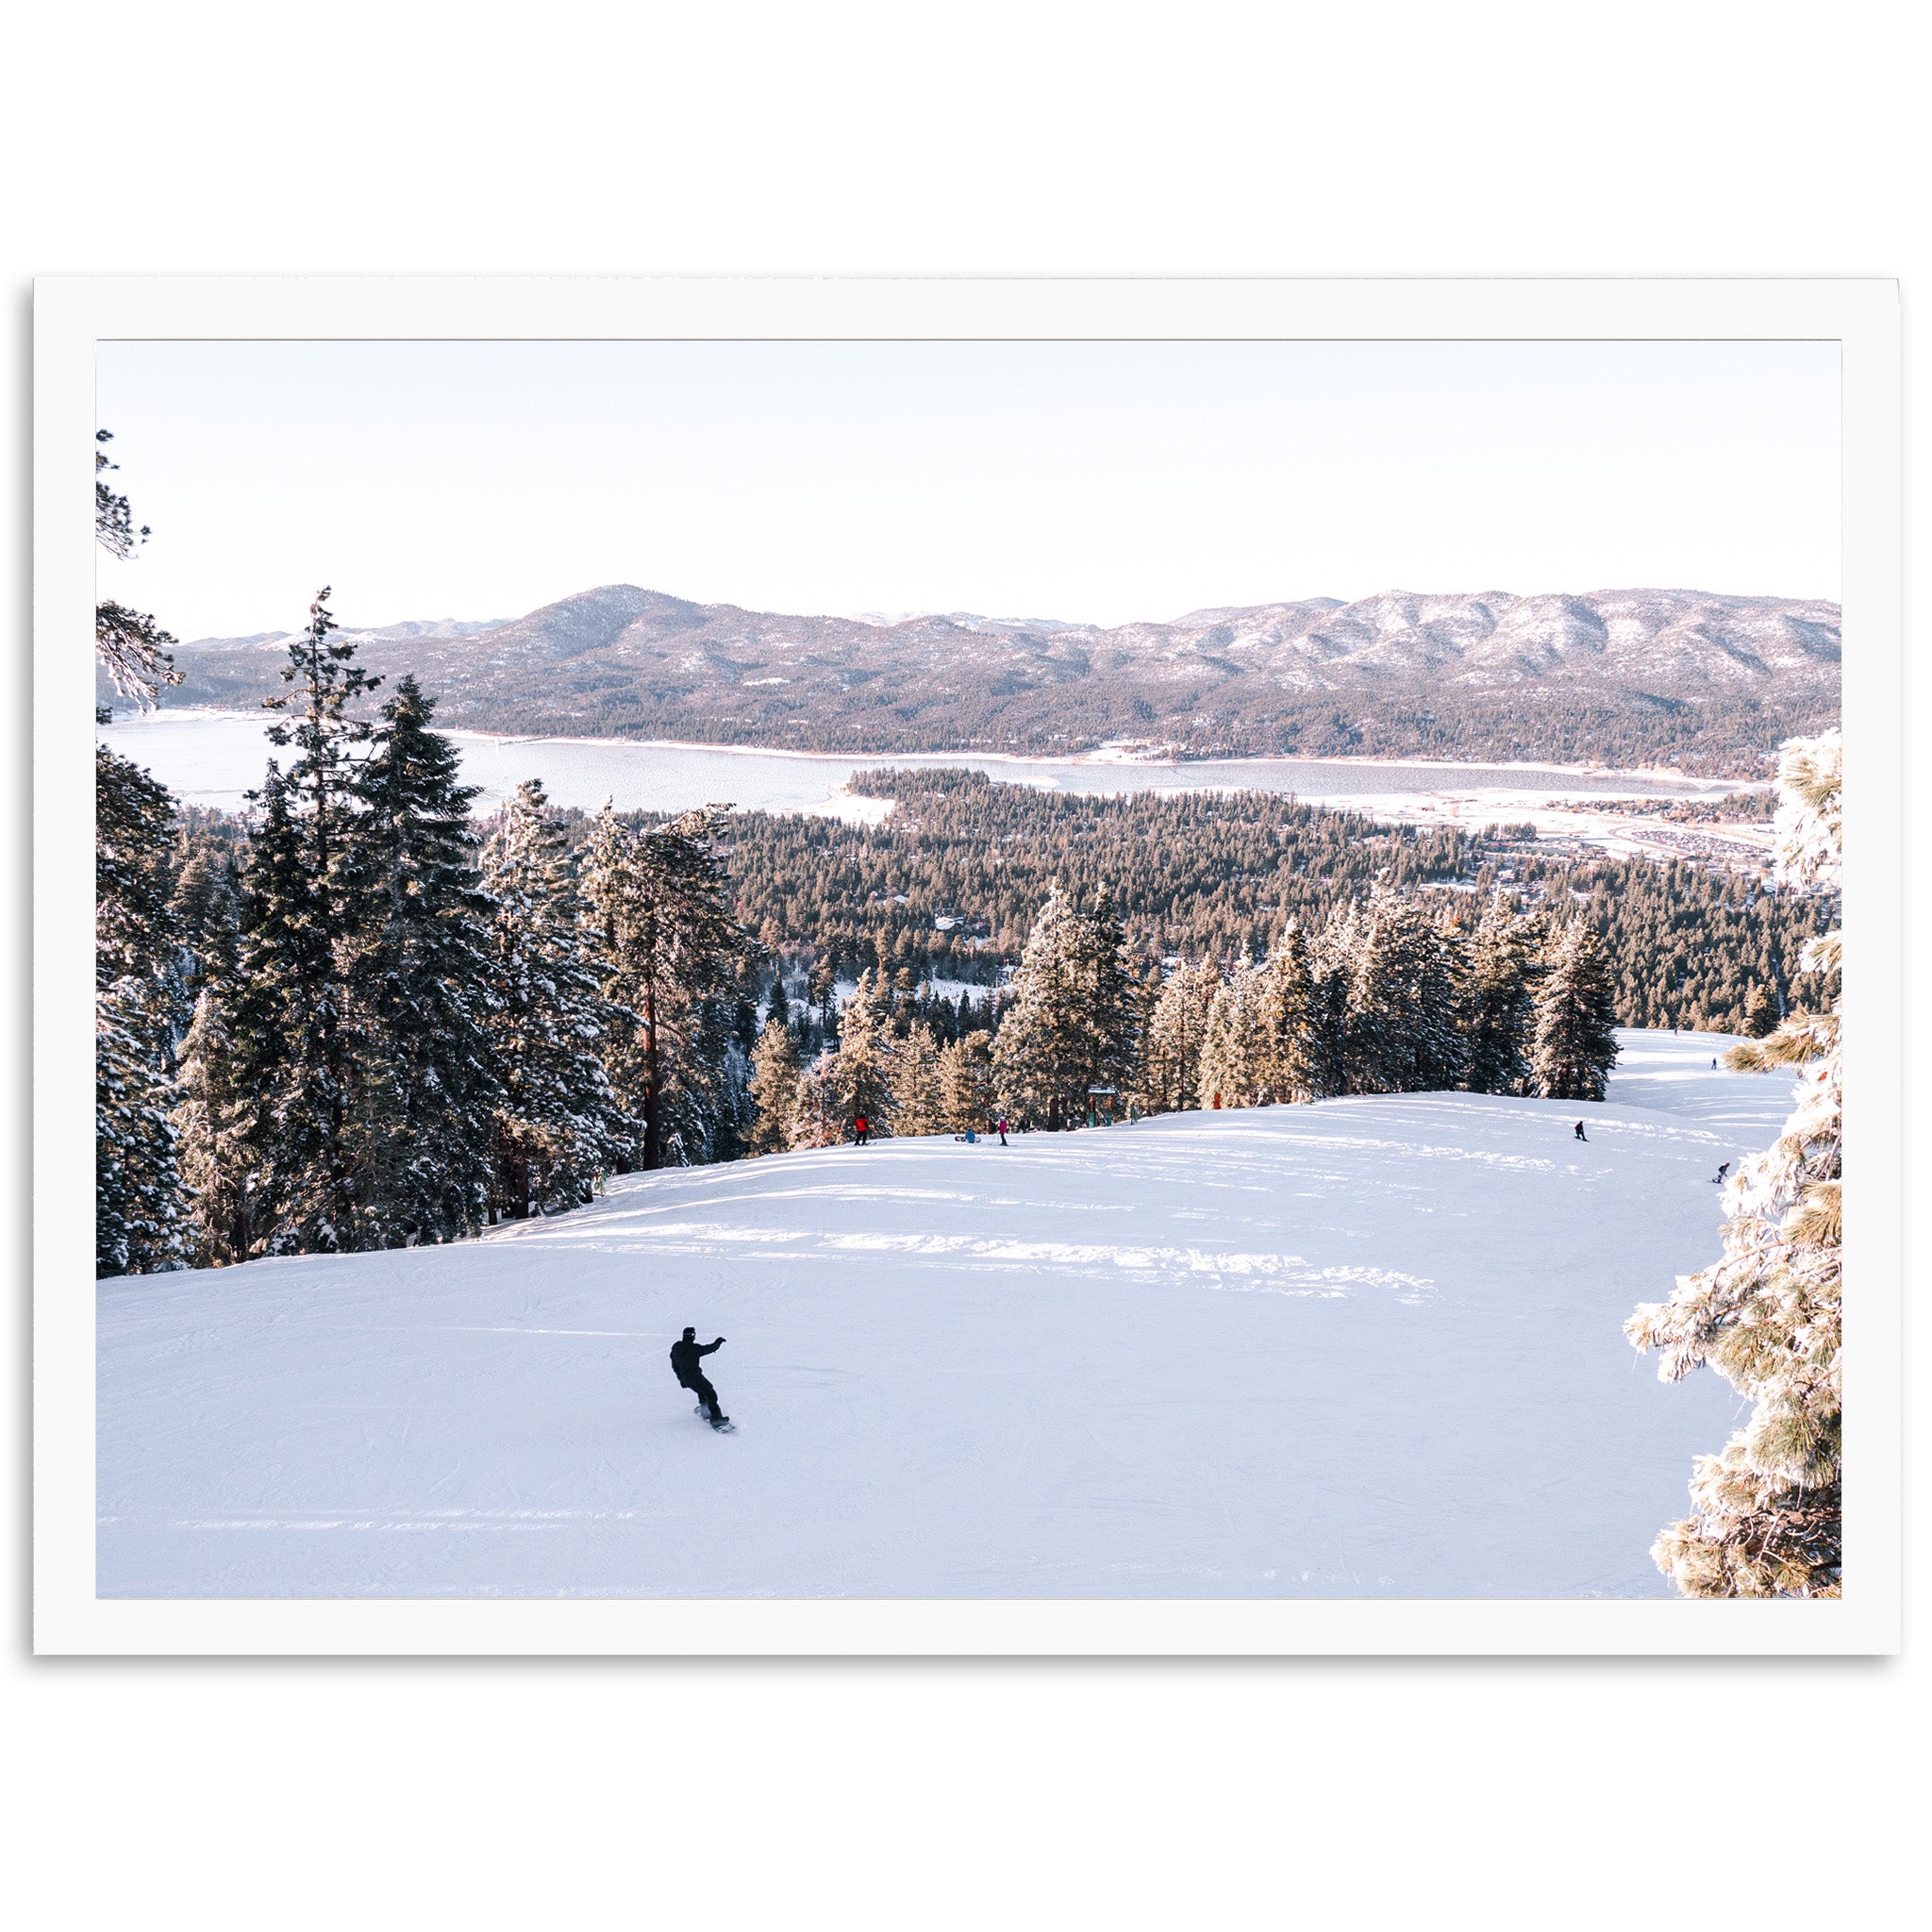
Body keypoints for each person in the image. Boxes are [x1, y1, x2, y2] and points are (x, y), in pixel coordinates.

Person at [670, 1326, 728, 1427]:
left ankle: (705, 1410)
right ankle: (716, 1418)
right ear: (692, 1336)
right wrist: (718, 1342)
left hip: (686, 1378)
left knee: (701, 1390)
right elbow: (710, 1348)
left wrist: (681, 1378)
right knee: (710, 1392)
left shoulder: (676, 1348)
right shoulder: (694, 1348)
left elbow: (674, 1365)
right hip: (695, 1376)